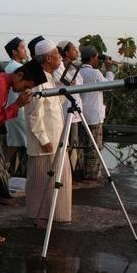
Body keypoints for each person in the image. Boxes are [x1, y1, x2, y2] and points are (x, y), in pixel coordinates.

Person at [0, 59, 46, 243]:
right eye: (24, 86)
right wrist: (16, 106)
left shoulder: (2, 83)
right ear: (19, 75)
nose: (22, 91)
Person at [24, 39, 73, 228]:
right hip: (43, 140)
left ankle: (57, 214)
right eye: (57, 55)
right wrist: (43, 138)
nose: (61, 57)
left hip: (57, 135)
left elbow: (57, 104)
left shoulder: (50, 77)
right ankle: (38, 217)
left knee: (59, 179)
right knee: (40, 181)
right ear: (48, 57)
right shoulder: (36, 80)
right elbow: (33, 114)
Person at [78, 45, 114, 184]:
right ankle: (92, 175)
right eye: (97, 57)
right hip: (94, 114)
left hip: (82, 113)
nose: (98, 60)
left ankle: (84, 171)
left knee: (84, 145)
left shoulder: (79, 72)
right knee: (94, 147)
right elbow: (109, 86)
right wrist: (109, 70)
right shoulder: (95, 73)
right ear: (92, 57)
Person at [55, 40, 84, 180]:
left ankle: (72, 171)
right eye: (73, 49)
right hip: (67, 108)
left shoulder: (72, 67)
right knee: (70, 141)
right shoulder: (61, 66)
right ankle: (69, 173)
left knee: (74, 141)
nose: (76, 52)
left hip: (74, 106)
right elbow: (67, 83)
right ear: (66, 52)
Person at [4, 37, 29, 178]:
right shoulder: (15, 68)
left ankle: (12, 173)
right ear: (14, 52)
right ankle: (15, 174)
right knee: (21, 144)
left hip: (18, 110)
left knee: (16, 143)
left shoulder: (14, 67)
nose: (25, 51)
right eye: (22, 48)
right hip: (18, 111)